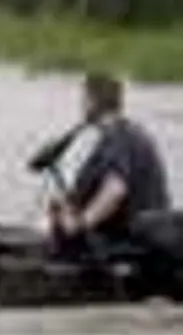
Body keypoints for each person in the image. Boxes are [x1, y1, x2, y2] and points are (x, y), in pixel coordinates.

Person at [49, 72, 171, 262]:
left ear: (92, 102)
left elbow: (115, 190)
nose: (81, 106)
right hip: (134, 233)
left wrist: (81, 224)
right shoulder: (126, 133)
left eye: (83, 100)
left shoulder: (118, 138)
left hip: (129, 241)